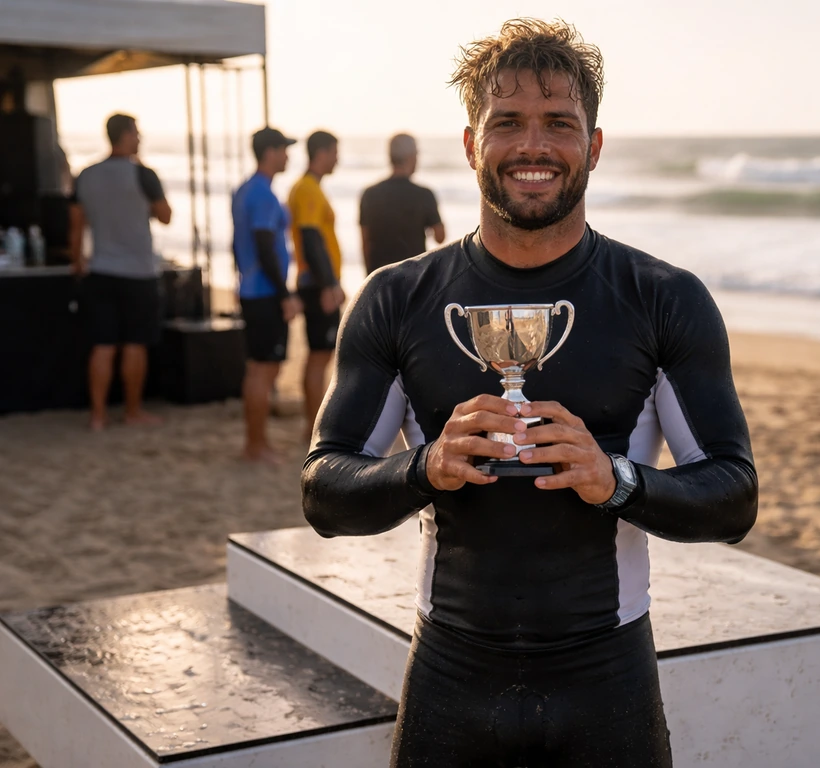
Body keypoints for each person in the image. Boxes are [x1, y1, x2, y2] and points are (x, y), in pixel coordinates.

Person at [302, 19, 758, 767]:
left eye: (559, 124)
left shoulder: (664, 298)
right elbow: (324, 490)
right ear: (472, 144)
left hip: (608, 683)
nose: (533, 146)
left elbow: (734, 497)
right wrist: (426, 468)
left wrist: (618, 481)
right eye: (506, 123)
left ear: (595, 146)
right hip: (450, 678)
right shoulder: (397, 298)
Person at [69, 113, 172, 431]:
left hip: (100, 269)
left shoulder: (86, 174)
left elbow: (76, 223)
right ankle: (132, 410)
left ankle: (97, 416)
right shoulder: (143, 174)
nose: (139, 138)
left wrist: (78, 262)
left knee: (102, 344)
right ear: (127, 135)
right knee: (134, 344)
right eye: (137, 133)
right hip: (138, 272)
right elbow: (165, 215)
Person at [231, 127, 301, 464]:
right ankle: (254, 445)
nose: (288, 155)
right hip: (264, 292)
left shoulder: (245, 190)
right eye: (284, 149)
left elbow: (238, 245)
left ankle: (255, 442)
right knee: (264, 370)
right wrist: (284, 293)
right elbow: (263, 245)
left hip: (252, 289)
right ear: (270, 152)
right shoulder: (262, 194)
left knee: (258, 368)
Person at [288, 130, 346, 440]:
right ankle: (312, 427)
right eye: (335, 152)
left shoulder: (310, 188)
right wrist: (328, 284)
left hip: (316, 282)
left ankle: (311, 425)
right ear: (321, 153)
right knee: (319, 355)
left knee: (320, 355)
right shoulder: (307, 189)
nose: (338, 158)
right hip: (315, 283)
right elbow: (311, 240)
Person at [358, 133, 445, 274]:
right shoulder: (424, 194)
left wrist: (368, 277)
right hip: (414, 276)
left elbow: (365, 243)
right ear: (411, 156)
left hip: (380, 275)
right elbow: (440, 237)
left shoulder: (369, 194)